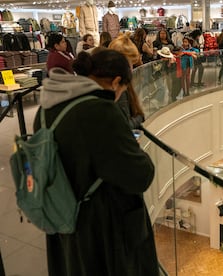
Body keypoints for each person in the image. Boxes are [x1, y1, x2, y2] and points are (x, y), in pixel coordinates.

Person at [36, 49, 158, 276]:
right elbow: (141, 175)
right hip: (101, 229)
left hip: (61, 216)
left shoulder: (47, 107)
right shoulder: (100, 111)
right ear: (116, 81)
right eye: (122, 90)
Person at [108, 34, 145, 129]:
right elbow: (123, 126)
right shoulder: (119, 89)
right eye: (129, 64)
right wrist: (139, 118)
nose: (131, 69)